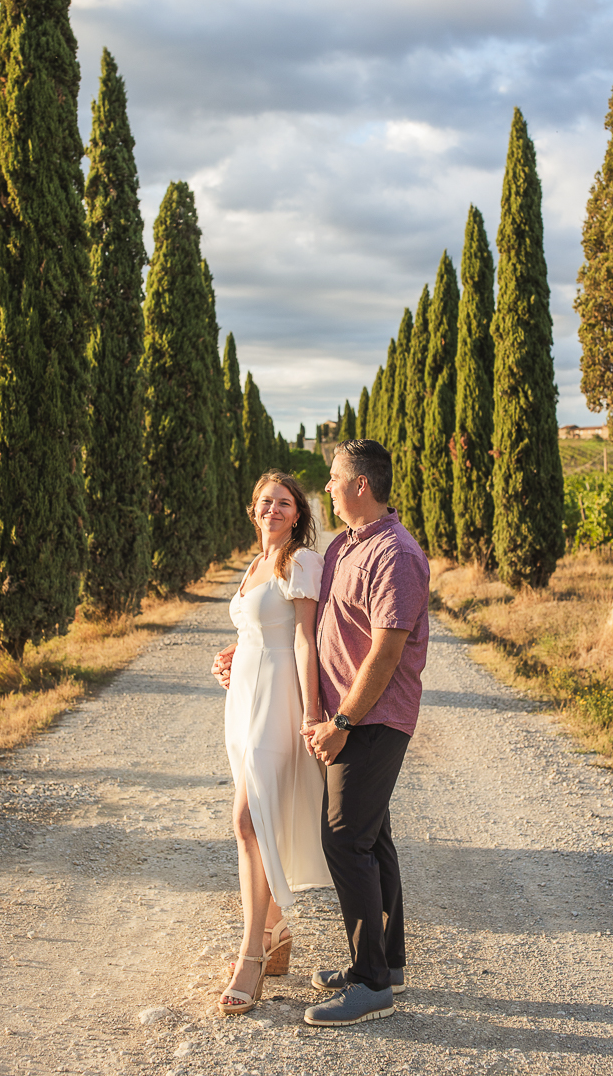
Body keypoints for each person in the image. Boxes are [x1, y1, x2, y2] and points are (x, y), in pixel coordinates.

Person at [303, 438, 429, 1028]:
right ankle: (388, 961)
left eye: (333, 477)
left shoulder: (395, 553)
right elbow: (319, 622)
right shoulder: (343, 546)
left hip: (373, 717)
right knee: (372, 837)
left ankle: (370, 981)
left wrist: (342, 721)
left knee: (344, 839)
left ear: (360, 486)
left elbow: (386, 650)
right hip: (349, 716)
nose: (326, 487)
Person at [210, 471, 332, 1016]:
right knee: (250, 820)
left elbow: (304, 639)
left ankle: (251, 957)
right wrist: (229, 658)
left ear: (298, 513)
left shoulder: (300, 561)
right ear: (253, 509)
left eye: (284, 503)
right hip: (242, 703)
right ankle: (276, 932)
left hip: (280, 700)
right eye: (266, 502)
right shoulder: (254, 564)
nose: (274, 509)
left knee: (248, 820)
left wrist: (312, 713)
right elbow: (253, 629)